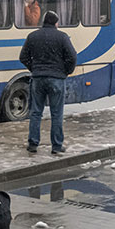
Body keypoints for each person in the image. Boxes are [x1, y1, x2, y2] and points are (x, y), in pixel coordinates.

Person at [21, 11, 76, 154]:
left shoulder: (33, 36)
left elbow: (23, 57)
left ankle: (33, 144)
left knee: (35, 112)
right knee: (56, 113)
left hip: (38, 79)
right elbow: (72, 57)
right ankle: (57, 146)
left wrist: (34, 68)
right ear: (56, 23)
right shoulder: (62, 37)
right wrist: (65, 71)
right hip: (57, 79)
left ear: (44, 21)